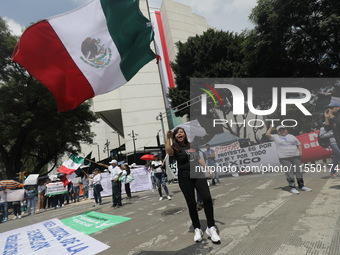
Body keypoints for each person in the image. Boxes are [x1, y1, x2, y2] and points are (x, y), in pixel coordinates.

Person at [165, 127, 221, 243]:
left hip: (198, 174)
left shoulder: (191, 145)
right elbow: (169, 152)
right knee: (191, 203)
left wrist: (208, 169)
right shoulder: (175, 147)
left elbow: (199, 158)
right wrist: (168, 138)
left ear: (185, 134)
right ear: (175, 136)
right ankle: (197, 228)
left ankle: (211, 227)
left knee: (207, 198)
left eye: (181, 132)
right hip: (184, 177)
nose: (179, 134)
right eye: (177, 133)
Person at [265, 125, 312, 194]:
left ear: (286, 130)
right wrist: (271, 127)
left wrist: (300, 151)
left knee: (298, 171)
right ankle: (292, 187)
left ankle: (301, 186)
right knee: (289, 172)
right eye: (280, 130)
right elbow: (267, 134)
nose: (282, 131)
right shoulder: (275, 137)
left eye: (283, 129)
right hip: (284, 157)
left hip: (295, 156)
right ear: (278, 132)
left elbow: (298, 144)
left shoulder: (292, 136)